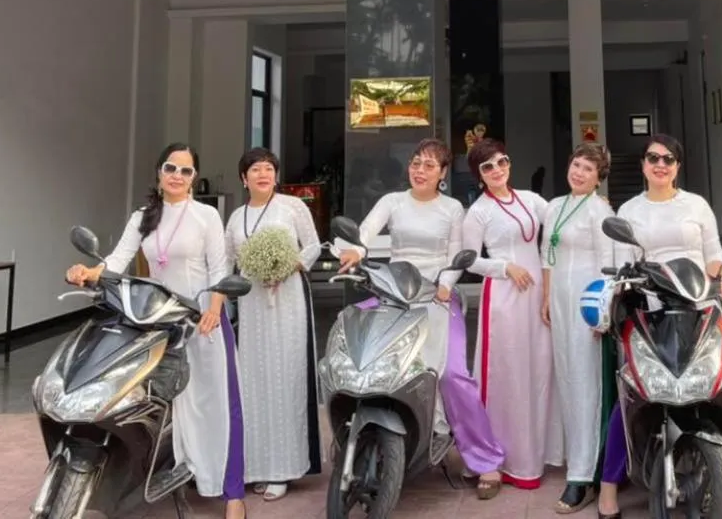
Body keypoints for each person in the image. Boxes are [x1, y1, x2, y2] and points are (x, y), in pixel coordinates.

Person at [596, 134, 722, 519]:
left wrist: (719, 279)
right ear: (643, 165)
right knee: (632, 391)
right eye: (653, 158)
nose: (660, 164)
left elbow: (713, 255)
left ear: (678, 166)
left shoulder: (696, 205)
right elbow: (622, 264)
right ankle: (609, 485)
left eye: (668, 158)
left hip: (700, 307)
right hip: (648, 310)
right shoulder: (630, 210)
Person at [66, 144, 246, 519]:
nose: (177, 176)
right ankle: (175, 471)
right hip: (160, 321)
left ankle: (232, 493)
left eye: (186, 171)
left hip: (202, 320)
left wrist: (214, 307)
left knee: (217, 405)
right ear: (158, 172)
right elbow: (116, 261)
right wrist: (88, 272)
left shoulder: (206, 216)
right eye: (171, 168)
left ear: (195, 178)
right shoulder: (143, 217)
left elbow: (219, 269)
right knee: (167, 404)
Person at [336, 138, 506, 499]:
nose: (420, 170)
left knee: (452, 374)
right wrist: (354, 249)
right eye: (416, 163)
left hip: (436, 296)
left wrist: (445, 284)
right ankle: (371, 440)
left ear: (443, 173)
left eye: (430, 165)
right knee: (357, 351)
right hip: (393, 295)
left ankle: (485, 459)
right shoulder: (392, 202)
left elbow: (456, 254)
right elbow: (365, 233)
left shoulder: (453, 208)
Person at [225, 147, 322, 502]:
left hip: (289, 299)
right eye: (255, 169)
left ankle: (285, 467)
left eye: (268, 169)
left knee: (286, 378)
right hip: (252, 305)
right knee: (254, 380)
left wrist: (287, 265)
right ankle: (257, 466)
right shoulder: (236, 217)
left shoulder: (293, 207)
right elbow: (228, 261)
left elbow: (312, 247)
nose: (263, 174)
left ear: (276, 176)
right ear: (243, 178)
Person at [463, 138, 561, 490]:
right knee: (505, 375)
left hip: (536, 296)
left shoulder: (531, 200)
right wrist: (505, 268)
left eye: (501, 161)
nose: (496, 170)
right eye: (487, 167)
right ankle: (494, 457)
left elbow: (561, 223)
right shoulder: (477, 212)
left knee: (538, 369)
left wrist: (593, 206)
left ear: (509, 162)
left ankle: (537, 452)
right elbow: (470, 259)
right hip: (503, 298)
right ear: (479, 175)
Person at [541, 143, 619, 514]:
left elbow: (609, 264)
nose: (579, 172)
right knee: (567, 381)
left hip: (587, 305)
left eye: (588, 169)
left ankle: (586, 474)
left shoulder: (599, 210)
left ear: (598, 177)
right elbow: (547, 255)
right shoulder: (555, 206)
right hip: (558, 300)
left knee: (587, 385)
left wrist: (602, 312)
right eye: (576, 165)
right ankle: (576, 459)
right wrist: (545, 298)